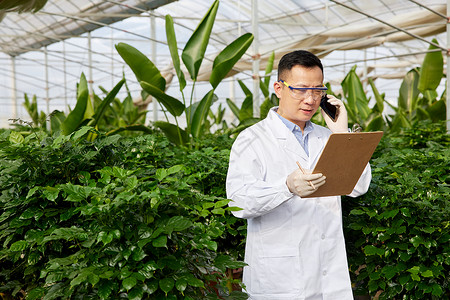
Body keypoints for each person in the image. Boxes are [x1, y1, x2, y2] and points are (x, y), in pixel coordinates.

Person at [226, 50, 371, 300]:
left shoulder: (328, 137)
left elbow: (359, 186)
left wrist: (342, 135)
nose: (310, 99)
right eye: (301, 89)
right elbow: (238, 203)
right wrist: (286, 187)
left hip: (328, 273)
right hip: (280, 278)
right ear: (279, 88)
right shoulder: (252, 139)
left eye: (318, 90)